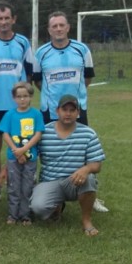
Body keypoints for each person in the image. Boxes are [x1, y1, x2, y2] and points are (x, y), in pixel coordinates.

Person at [33, 11, 109, 213]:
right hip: (50, 111)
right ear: (49, 30)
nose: (58, 29)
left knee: (84, 152)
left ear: (68, 27)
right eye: (54, 26)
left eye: (61, 25)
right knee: (48, 152)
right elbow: (38, 80)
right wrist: (54, 102)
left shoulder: (82, 49)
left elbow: (87, 79)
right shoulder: (41, 53)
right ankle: (52, 192)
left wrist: (75, 101)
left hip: (78, 109)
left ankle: (91, 195)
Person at [0, 1, 38, 207]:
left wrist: (27, 101)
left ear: (13, 19)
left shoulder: (22, 42)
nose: (3, 22)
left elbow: (29, 74)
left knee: (22, 145)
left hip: (18, 105)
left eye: (7, 18)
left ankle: (25, 187)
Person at [29, 94, 105, 236]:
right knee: (38, 208)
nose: (68, 113)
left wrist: (86, 168)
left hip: (75, 180)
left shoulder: (88, 133)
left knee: (89, 178)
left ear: (78, 113)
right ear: (57, 111)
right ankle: (56, 207)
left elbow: (97, 165)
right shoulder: (43, 132)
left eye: (72, 110)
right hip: (50, 181)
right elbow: (29, 154)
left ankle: (86, 221)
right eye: (65, 110)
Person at [0, 82, 44, 226]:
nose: (22, 99)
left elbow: (38, 134)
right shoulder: (10, 114)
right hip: (13, 157)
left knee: (27, 186)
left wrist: (24, 149)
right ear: (14, 98)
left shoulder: (36, 114)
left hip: (30, 157)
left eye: (25, 96)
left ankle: (26, 215)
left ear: (30, 97)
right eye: (19, 97)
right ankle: (13, 215)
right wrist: (16, 151)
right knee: (14, 186)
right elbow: (5, 134)